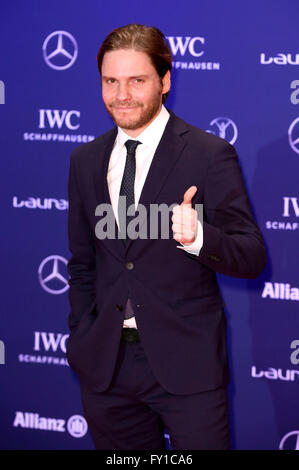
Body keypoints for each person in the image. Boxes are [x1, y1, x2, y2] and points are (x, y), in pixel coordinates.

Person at [66, 23, 266, 450]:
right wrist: (82, 331)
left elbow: (251, 256)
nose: (122, 95)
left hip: (187, 368)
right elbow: (82, 262)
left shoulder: (209, 154)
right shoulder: (84, 161)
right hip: (106, 368)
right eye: (110, 81)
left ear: (165, 81)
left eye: (136, 81)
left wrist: (199, 239)